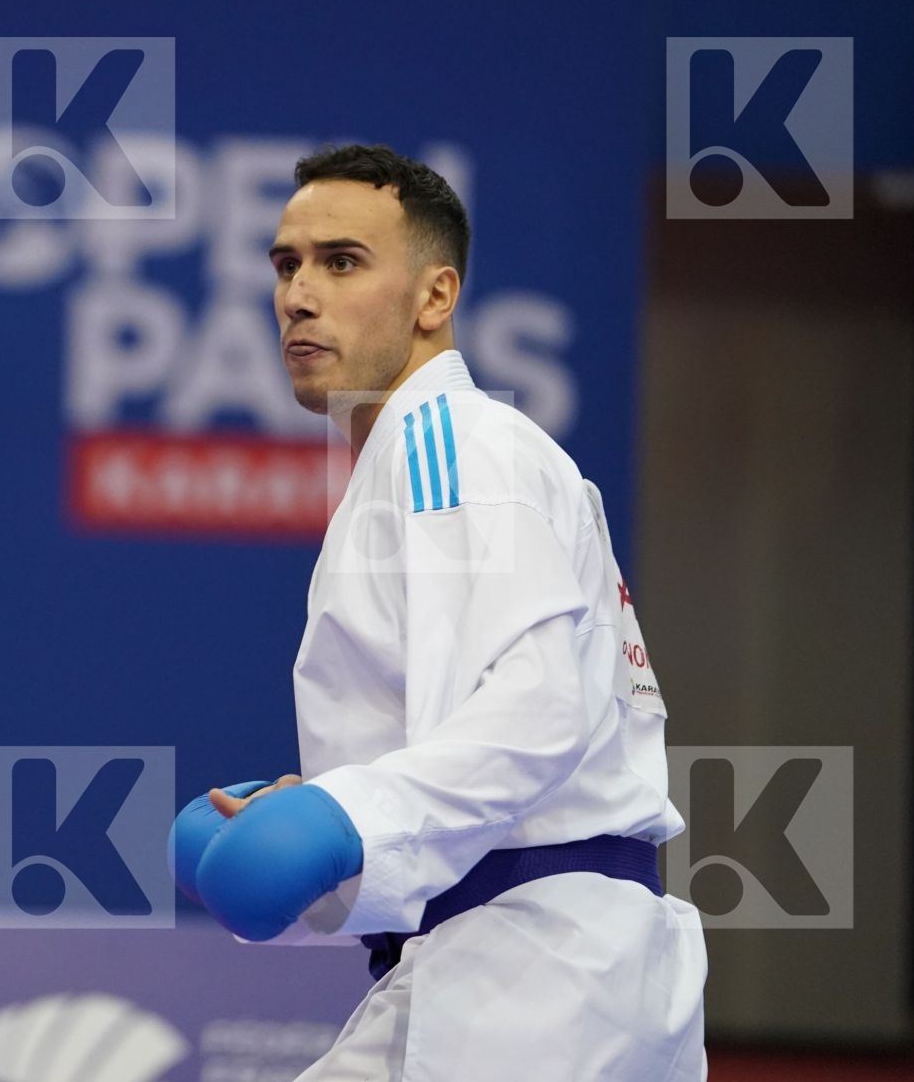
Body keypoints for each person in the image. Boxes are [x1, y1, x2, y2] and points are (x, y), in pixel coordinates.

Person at [169, 144, 707, 1080]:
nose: (299, 294)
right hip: (507, 965)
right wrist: (322, 809)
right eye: (285, 264)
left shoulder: (449, 444)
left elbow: (538, 711)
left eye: (341, 262)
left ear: (434, 298)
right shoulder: (422, 459)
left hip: (533, 981)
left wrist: (340, 817)